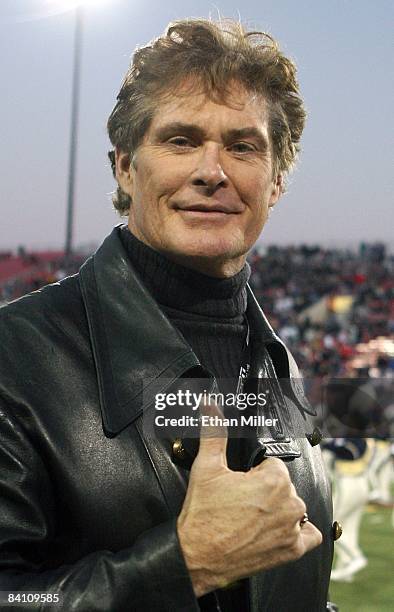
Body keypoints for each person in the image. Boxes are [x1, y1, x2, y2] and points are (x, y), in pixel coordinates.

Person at [0, 18, 337, 611]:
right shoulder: (14, 353)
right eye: (181, 140)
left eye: (243, 146)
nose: (212, 171)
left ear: (277, 180)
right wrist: (182, 564)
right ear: (125, 169)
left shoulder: (279, 367)